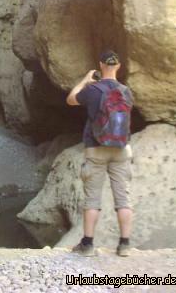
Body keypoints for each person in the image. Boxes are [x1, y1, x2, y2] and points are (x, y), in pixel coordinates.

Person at [66, 50, 133, 257]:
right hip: (121, 149)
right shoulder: (126, 91)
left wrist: (86, 80)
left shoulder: (93, 89)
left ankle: (87, 245)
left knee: (92, 198)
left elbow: (70, 100)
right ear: (119, 66)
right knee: (123, 198)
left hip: (95, 148)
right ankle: (124, 245)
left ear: (101, 65)